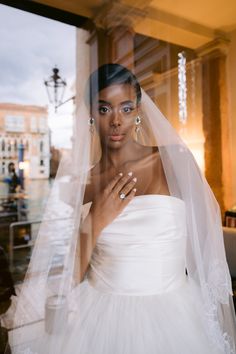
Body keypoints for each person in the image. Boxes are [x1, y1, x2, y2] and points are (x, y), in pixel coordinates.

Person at [6, 64, 236, 354]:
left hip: (175, 315)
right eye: (104, 110)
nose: (116, 121)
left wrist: (212, 315)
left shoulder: (172, 161)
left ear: (138, 110)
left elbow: (206, 251)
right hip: (96, 317)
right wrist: (94, 220)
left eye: (126, 109)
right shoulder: (80, 183)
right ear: (90, 113)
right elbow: (66, 280)